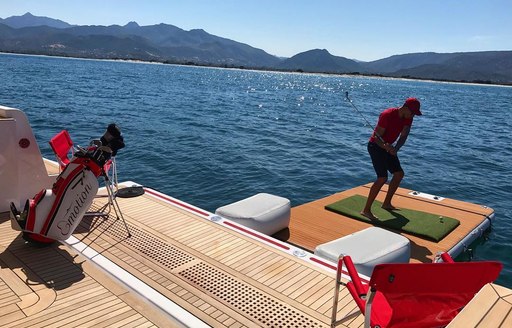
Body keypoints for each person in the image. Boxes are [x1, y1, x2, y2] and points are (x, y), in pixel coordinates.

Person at [361, 97, 422, 219]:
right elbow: (377, 139)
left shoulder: (408, 118)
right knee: (382, 177)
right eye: (413, 113)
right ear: (405, 108)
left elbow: (404, 135)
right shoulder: (387, 115)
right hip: (376, 147)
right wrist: (385, 146)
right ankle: (366, 210)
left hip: (389, 148)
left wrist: (396, 148)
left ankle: (386, 203)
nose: (413, 116)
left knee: (399, 174)